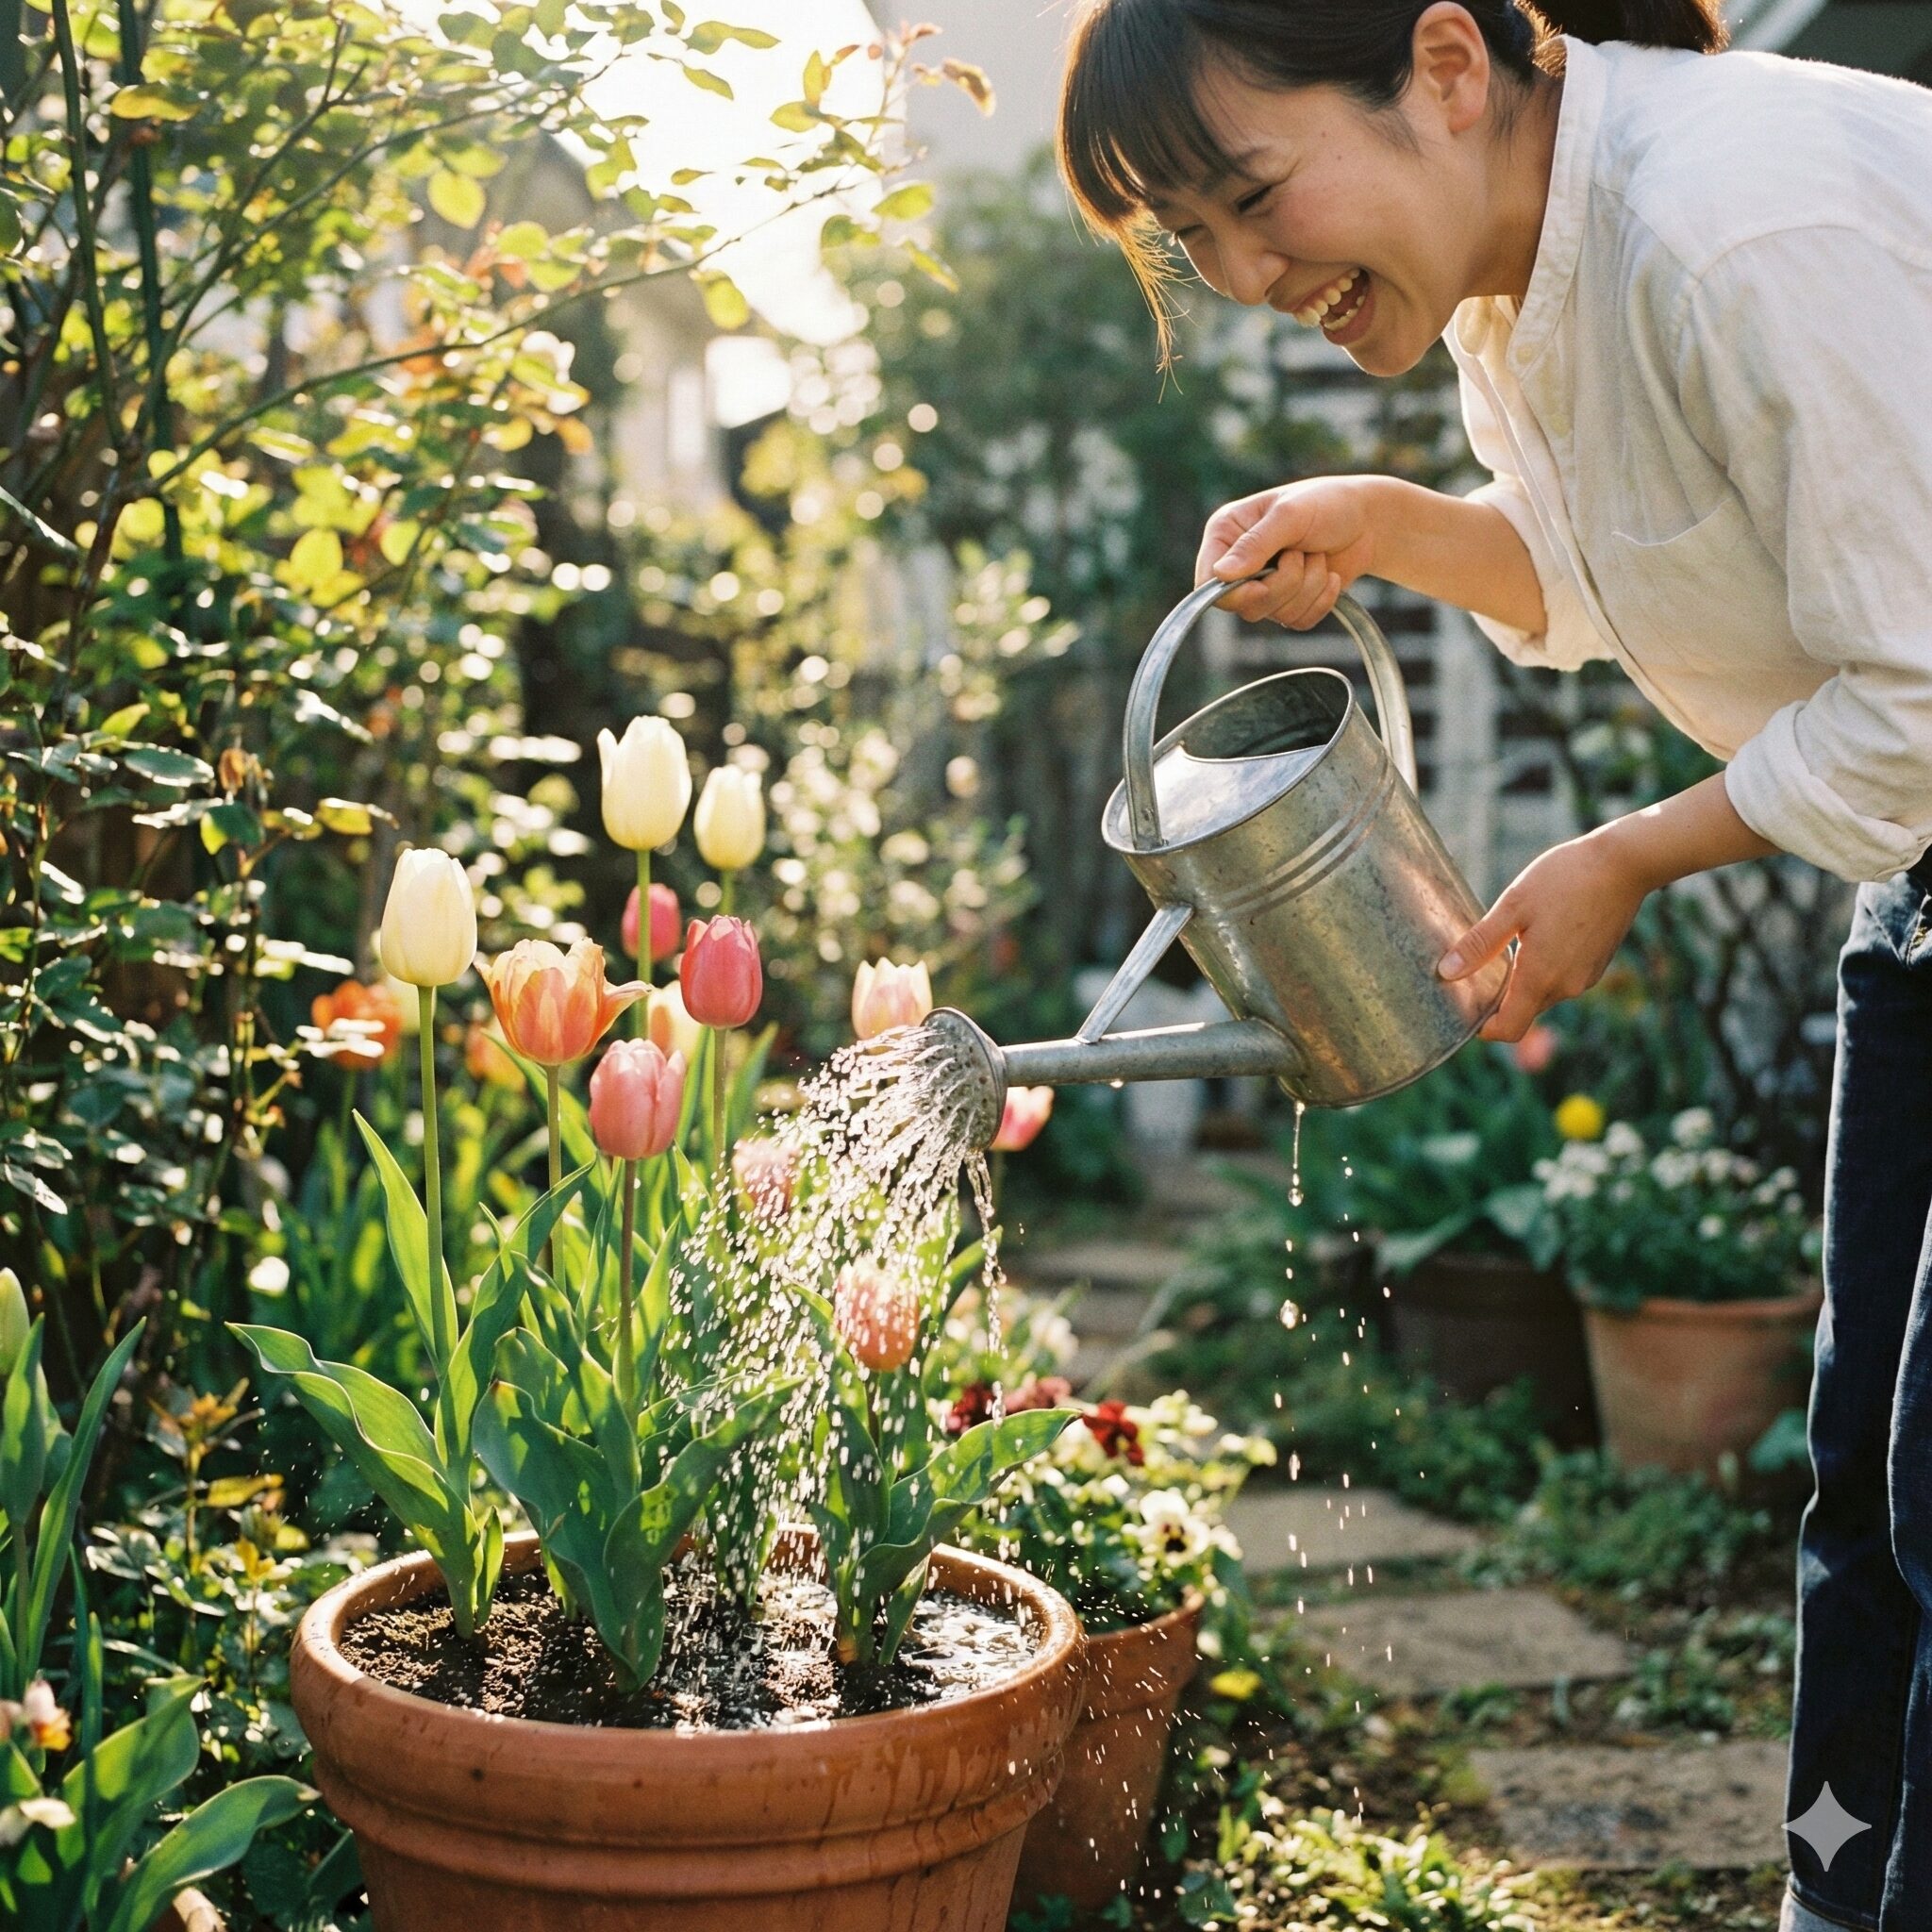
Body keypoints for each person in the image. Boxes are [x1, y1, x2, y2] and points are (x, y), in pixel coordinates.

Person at [1056, 3, 1932, 1926]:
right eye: (1192, 242)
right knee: (1866, 1499)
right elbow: (1588, 569)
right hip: (1921, 904)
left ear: (1445, 64)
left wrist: (1626, 851)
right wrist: (1384, 526)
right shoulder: (1521, 297)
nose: (1246, 275)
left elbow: (1925, 692)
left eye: (1252, 193)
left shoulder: (1725, 220)